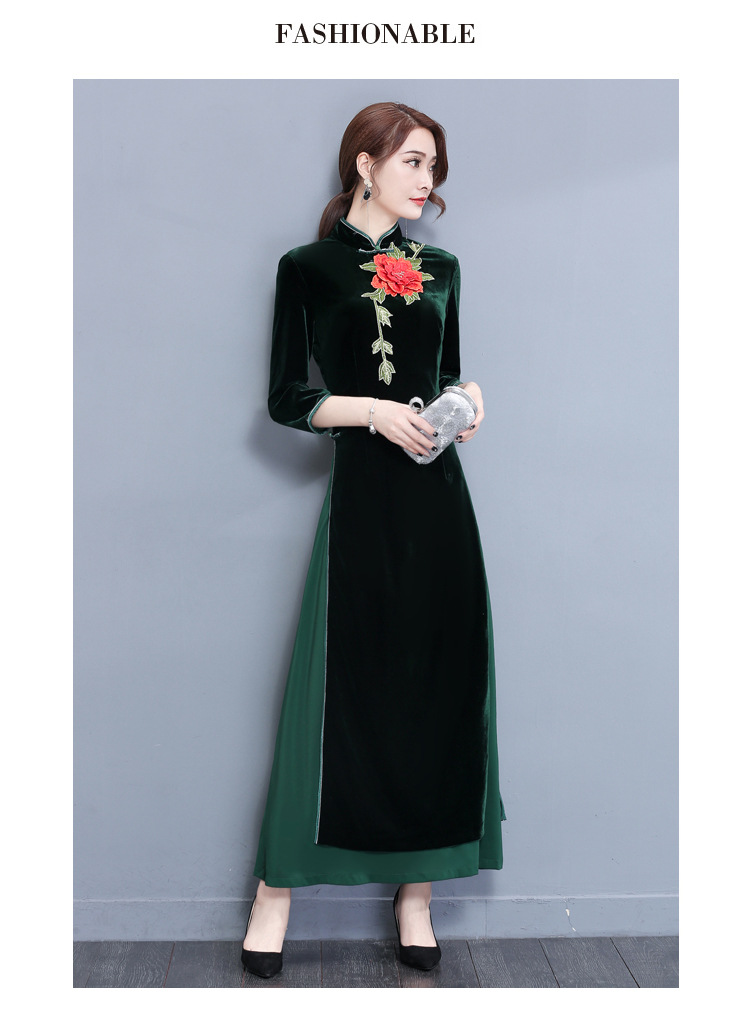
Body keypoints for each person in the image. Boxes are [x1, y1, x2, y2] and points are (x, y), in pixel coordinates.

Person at [241, 101, 506, 979]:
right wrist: (374, 413)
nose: (429, 181)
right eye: (414, 162)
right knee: (339, 690)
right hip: (363, 500)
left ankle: (415, 896)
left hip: (439, 502)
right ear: (366, 163)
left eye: (434, 166)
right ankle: (275, 894)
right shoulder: (307, 268)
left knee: (436, 685)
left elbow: (446, 374)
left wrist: (467, 402)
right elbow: (287, 398)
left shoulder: (443, 269)